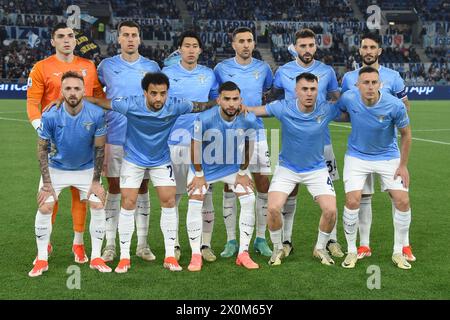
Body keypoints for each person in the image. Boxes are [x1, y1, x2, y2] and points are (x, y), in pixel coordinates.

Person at [84, 72, 215, 273]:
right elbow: (101, 102)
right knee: (128, 203)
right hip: (133, 160)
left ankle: (170, 255)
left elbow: (201, 105)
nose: (158, 99)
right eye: (153, 93)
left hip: (161, 159)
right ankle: (125, 257)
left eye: (163, 93)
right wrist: (74, 98)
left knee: (169, 201)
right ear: (145, 92)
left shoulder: (176, 105)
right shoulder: (130, 104)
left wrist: (220, 102)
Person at [245, 73, 347, 266]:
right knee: (273, 208)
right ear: (296, 91)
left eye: (313, 89)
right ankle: (277, 249)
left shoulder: (326, 109)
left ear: (318, 91)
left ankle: (320, 248)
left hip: (316, 169)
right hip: (287, 169)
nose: (309, 93)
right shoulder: (283, 107)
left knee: (331, 210)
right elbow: (255, 110)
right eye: (305, 89)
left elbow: (352, 114)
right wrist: (235, 107)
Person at [26, 23, 105, 264]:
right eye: (60, 36)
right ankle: (46, 242)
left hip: (83, 137)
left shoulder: (88, 66)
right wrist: (42, 131)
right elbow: (32, 102)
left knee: (81, 196)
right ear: (53, 41)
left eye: (70, 36)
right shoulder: (41, 68)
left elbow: (98, 98)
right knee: (50, 196)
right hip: (55, 140)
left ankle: (78, 244)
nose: (66, 40)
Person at [341, 32, 415, 262]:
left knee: (400, 198)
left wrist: (386, 115)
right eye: (365, 47)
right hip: (359, 151)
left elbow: (403, 108)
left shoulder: (393, 77)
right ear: (360, 50)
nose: (368, 51)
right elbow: (344, 109)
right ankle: (362, 245)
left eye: (373, 47)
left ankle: (403, 245)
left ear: (379, 50)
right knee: (361, 198)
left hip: (387, 149)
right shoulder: (348, 79)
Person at [271, 28, 343, 259]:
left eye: (311, 45)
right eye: (303, 46)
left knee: (330, 192)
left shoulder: (327, 71)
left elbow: (336, 99)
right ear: (295, 47)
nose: (307, 49)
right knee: (290, 191)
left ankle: (331, 240)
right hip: (293, 143)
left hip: (323, 142)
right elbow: (273, 97)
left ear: (315, 46)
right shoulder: (283, 72)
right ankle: (286, 240)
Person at [97, 21, 161, 263]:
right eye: (126, 35)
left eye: (134, 35)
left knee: (142, 190)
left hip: (143, 139)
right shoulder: (106, 66)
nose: (131, 39)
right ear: (119, 39)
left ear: (140, 39)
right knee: (114, 190)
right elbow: (95, 93)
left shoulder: (152, 66)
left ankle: (142, 244)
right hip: (114, 138)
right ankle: (110, 245)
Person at [214, 27, 273, 258]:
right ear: (233, 44)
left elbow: (267, 91)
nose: (246, 45)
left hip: (257, 133)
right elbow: (216, 97)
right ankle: (231, 240)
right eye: (241, 41)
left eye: (249, 40)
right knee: (230, 185)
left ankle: (260, 238)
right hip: (229, 134)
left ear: (254, 44)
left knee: (262, 184)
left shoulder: (263, 68)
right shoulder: (221, 69)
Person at [188, 81, 259, 270]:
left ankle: (243, 253)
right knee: (195, 199)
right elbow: (194, 147)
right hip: (204, 170)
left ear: (240, 100)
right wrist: (199, 174)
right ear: (218, 100)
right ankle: (196, 255)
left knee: (249, 199)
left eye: (235, 99)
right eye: (226, 99)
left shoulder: (248, 119)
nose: (231, 103)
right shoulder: (204, 118)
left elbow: (249, 147)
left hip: (231, 168)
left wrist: (243, 173)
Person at [163, 30, 219, 263]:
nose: (191, 50)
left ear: (200, 50)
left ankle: (204, 245)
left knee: (205, 195)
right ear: (179, 49)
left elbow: (217, 103)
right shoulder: (166, 73)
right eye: (187, 46)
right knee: (173, 197)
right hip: (173, 142)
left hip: (204, 144)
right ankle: (174, 244)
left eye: (195, 46)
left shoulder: (209, 74)